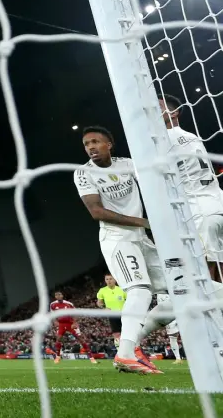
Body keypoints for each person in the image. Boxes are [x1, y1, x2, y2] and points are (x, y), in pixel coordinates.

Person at [74, 125, 172, 375]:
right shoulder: (83, 173)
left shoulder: (127, 164)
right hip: (117, 239)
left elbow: (153, 184)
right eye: (86, 144)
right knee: (139, 290)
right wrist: (144, 222)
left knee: (179, 291)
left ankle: (132, 344)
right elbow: (96, 212)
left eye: (96, 142)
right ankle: (125, 354)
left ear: (109, 144)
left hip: (141, 239)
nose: (91, 147)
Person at [160, 94, 223, 281]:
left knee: (205, 266)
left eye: (158, 107)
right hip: (216, 199)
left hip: (198, 209)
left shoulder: (164, 139)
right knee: (217, 260)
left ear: (174, 113)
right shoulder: (191, 136)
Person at [48, 291, 95, 364]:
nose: (58, 296)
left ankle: (91, 358)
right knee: (58, 339)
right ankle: (58, 357)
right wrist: (55, 321)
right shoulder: (52, 304)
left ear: (62, 295)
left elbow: (75, 313)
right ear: (55, 297)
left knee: (80, 339)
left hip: (70, 324)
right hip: (61, 324)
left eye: (59, 295)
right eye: (56, 295)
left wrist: (74, 322)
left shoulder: (69, 304)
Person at [96, 274, 126, 350]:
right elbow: (99, 303)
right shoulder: (102, 290)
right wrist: (104, 307)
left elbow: (128, 300)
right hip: (112, 314)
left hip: (124, 314)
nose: (109, 281)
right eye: (107, 279)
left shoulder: (122, 289)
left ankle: (132, 350)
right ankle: (119, 351)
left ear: (115, 280)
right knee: (116, 333)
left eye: (110, 279)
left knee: (127, 333)